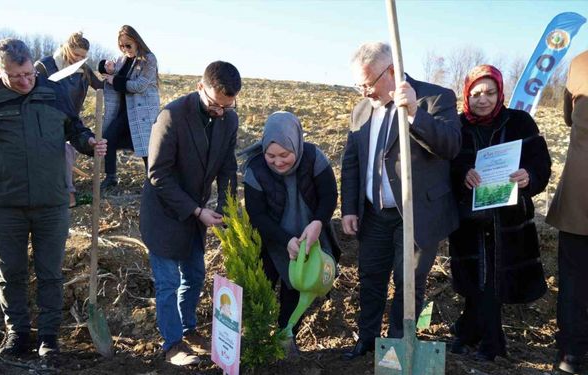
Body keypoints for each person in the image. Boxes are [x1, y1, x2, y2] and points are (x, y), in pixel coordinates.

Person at [0, 38, 107, 361]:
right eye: (17, 77)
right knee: (11, 274)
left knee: (50, 273)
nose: (26, 81)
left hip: (52, 202)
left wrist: (89, 142)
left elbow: (75, 129)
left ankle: (50, 338)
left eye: (29, 74)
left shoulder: (53, 92)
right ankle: (18, 336)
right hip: (6, 204)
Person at [340, 42, 461, 360]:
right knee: (370, 278)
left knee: (408, 283)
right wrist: (350, 207)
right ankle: (367, 340)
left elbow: (451, 146)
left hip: (417, 215)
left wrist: (415, 115)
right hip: (375, 214)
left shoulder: (435, 97)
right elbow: (352, 161)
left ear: (391, 70)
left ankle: (395, 349)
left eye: (367, 83)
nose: (363, 92)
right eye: (358, 85)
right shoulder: (361, 110)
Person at [139, 61, 241, 366]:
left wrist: (226, 208)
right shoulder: (171, 116)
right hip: (165, 212)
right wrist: (197, 211)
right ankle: (172, 345)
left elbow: (227, 166)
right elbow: (158, 174)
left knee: (195, 275)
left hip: (197, 214)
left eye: (227, 105)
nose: (220, 111)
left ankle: (188, 328)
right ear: (200, 88)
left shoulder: (229, 119)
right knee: (168, 281)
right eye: (215, 104)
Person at [449, 65, 551, 361]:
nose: (483, 99)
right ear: (467, 95)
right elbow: (447, 165)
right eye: (476, 93)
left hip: (508, 219)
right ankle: (468, 331)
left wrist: (529, 175)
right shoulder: (457, 126)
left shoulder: (520, 122)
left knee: (493, 278)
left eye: (490, 92)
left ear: (499, 92)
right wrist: (462, 175)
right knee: (475, 280)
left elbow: (541, 163)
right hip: (469, 220)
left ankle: (492, 343)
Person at [242, 111, 340, 354]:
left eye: (285, 155)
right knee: (263, 285)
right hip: (272, 238)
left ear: (296, 143)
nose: (278, 162)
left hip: (311, 236)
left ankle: (287, 336)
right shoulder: (255, 170)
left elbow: (329, 195)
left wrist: (318, 221)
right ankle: (256, 341)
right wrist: (285, 240)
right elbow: (258, 215)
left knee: (296, 287)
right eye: (271, 155)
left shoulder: (314, 157)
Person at [546, 50, 588, 375]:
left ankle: (570, 354)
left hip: (579, 194)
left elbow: (567, 118)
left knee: (573, 279)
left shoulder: (579, 62)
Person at [35, 32, 103, 207]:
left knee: (66, 151)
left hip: (70, 119)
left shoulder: (84, 69)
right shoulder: (45, 65)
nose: (79, 58)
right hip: (46, 118)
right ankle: (67, 194)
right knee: (60, 152)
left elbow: (101, 87)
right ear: (67, 48)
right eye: (76, 54)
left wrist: (112, 77)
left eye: (83, 56)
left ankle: (65, 192)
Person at [98, 25, 159, 191]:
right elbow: (109, 72)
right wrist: (105, 67)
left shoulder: (149, 59)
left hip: (141, 112)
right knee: (108, 138)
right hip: (123, 111)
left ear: (137, 42)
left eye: (128, 45)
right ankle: (111, 177)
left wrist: (114, 80)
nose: (125, 49)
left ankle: (152, 180)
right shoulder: (122, 59)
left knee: (145, 146)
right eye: (122, 46)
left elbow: (139, 86)